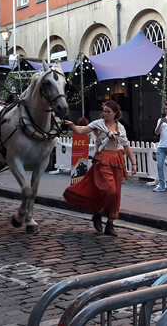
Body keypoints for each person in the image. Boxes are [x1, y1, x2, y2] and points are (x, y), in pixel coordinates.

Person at [62, 101, 137, 237]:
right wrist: (72, 125)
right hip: (102, 160)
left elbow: (126, 145)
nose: (106, 114)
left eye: (108, 112)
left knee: (116, 194)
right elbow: (81, 131)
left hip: (117, 161)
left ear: (115, 113)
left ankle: (110, 224)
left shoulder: (120, 127)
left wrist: (133, 163)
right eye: (105, 111)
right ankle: (97, 213)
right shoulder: (98, 124)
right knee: (110, 191)